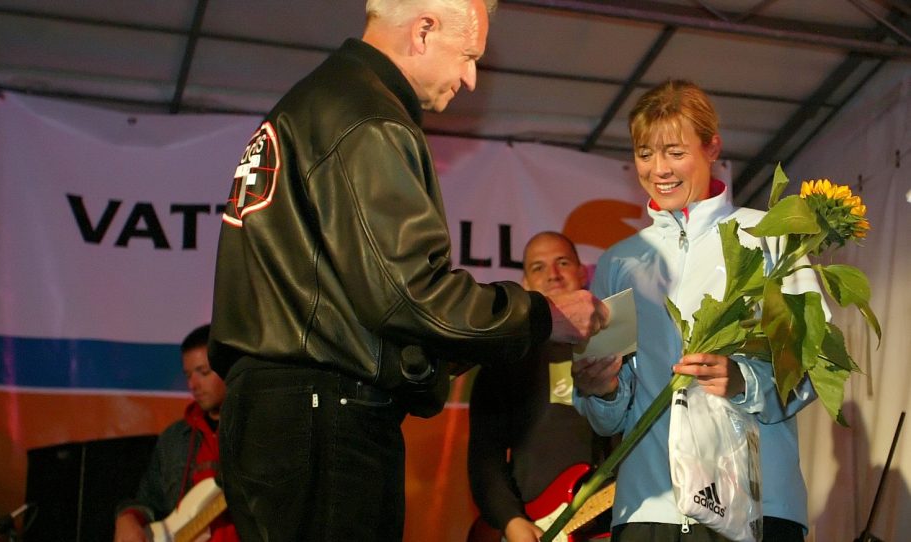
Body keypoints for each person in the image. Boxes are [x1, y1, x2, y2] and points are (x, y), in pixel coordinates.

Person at [207, 1, 609, 541]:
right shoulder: (367, 116)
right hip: (325, 418)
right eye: (468, 56)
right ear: (423, 30)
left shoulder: (314, 103)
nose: (470, 79)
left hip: (278, 416)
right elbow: (409, 297)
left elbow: (371, 303)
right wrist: (542, 315)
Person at [572, 80, 821, 541]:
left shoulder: (770, 237)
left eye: (674, 151)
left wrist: (745, 380)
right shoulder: (618, 263)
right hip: (649, 507)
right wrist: (599, 389)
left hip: (756, 506)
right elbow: (610, 415)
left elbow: (813, 365)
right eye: (645, 153)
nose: (658, 169)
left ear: (712, 147)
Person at [467, 231, 614, 542]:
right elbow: (485, 458)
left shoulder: (614, 351)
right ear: (524, 285)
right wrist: (510, 521)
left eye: (563, 262)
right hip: (530, 523)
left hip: (605, 523)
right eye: (538, 267)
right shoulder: (504, 360)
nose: (553, 274)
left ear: (582, 272)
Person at [114, 324, 238, 542]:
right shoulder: (174, 439)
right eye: (188, 375)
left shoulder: (257, 431)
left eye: (204, 372)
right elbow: (148, 500)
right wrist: (128, 517)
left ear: (229, 368)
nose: (193, 384)